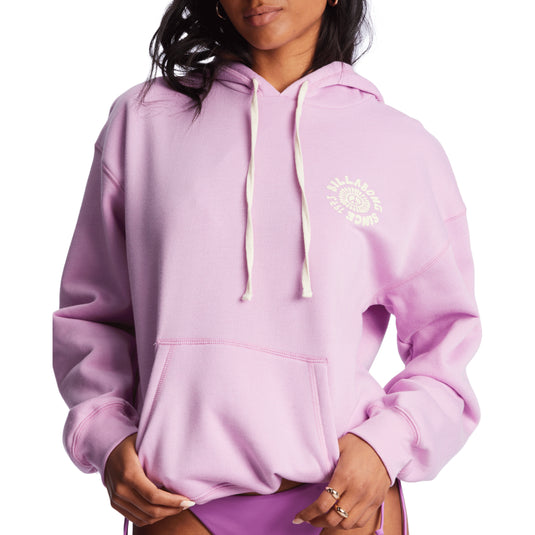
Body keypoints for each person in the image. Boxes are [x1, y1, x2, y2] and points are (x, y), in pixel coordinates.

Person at [51, 1, 482, 534]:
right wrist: (105, 432)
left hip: (341, 494)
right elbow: (93, 312)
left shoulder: (401, 148)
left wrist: (386, 445)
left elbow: (446, 340)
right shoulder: (143, 121)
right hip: (177, 495)